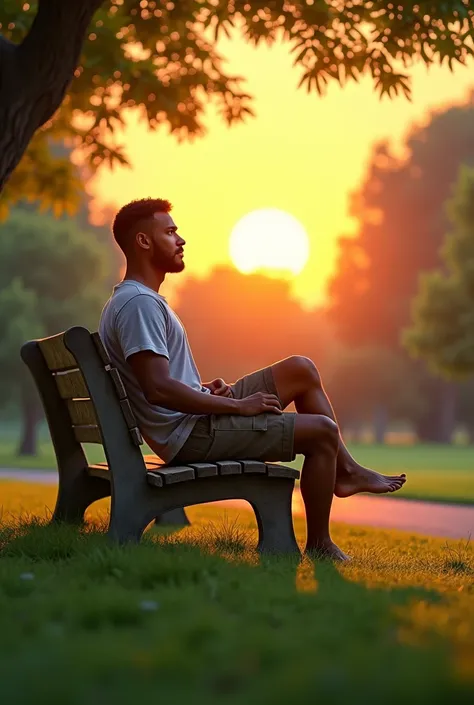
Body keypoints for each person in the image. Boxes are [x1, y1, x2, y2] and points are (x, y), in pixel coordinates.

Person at [99, 198, 406, 561]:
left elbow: (162, 382)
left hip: (190, 422)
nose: (181, 240)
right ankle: (321, 544)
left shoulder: (140, 300)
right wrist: (237, 405)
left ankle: (347, 471)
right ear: (143, 242)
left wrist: (202, 390)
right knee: (322, 432)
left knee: (301, 369)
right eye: (169, 232)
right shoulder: (139, 305)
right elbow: (158, 388)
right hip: (189, 436)